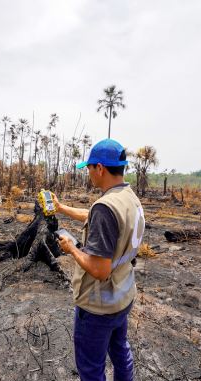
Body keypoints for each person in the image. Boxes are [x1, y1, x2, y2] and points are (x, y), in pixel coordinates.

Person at [53, 138, 145, 381]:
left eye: (90, 168)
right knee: (120, 350)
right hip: (123, 296)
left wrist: (71, 248)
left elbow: (99, 270)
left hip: (98, 306)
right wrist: (61, 208)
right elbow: (93, 215)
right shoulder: (127, 197)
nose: (89, 174)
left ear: (100, 168)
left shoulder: (106, 206)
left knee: (92, 368)